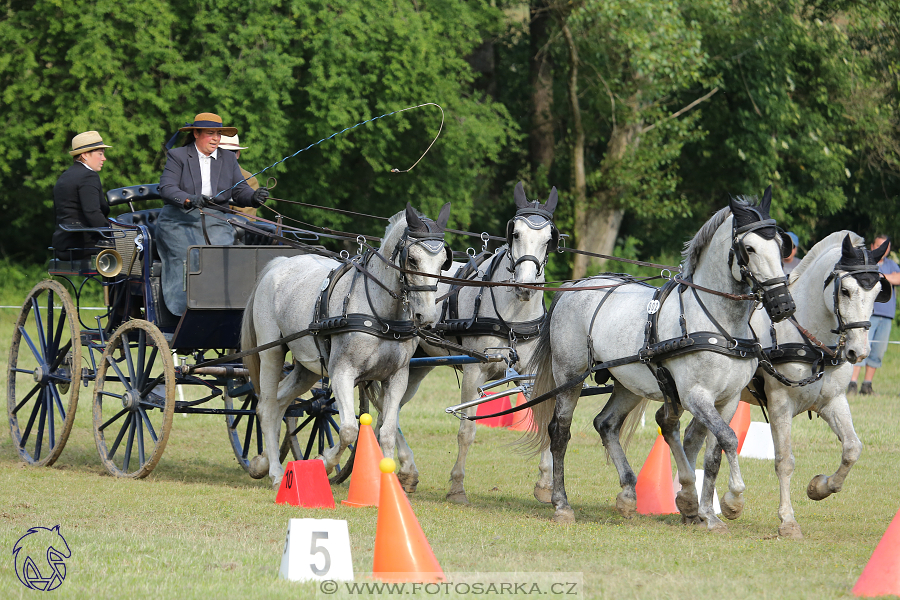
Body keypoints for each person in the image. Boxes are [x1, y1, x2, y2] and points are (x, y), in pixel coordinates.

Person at [157, 112, 269, 315]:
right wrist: (189, 199)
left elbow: (239, 190)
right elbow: (167, 188)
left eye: (218, 133)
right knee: (191, 256)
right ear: (196, 133)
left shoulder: (227, 158)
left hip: (214, 221)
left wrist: (253, 197)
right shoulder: (178, 156)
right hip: (178, 219)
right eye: (210, 133)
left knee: (226, 257)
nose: (216, 138)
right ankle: (184, 310)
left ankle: (224, 307)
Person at [848, 235, 900, 395]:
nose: (883, 249)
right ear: (872, 245)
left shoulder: (892, 264)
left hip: (887, 315)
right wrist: (887, 277)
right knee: (860, 348)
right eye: (879, 245)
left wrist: (880, 276)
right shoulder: (867, 262)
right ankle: (852, 384)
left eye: (886, 246)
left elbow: (898, 278)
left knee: (878, 352)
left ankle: (867, 385)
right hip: (868, 315)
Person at [51, 131, 113, 259]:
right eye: (100, 154)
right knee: (134, 249)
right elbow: (92, 213)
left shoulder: (64, 176)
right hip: (82, 244)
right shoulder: (89, 176)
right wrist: (112, 235)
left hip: (62, 243)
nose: (104, 158)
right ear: (85, 155)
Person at [218, 133, 260, 218]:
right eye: (221, 152)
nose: (226, 157)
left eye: (230, 152)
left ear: (238, 154)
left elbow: (243, 220)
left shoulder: (248, 179)